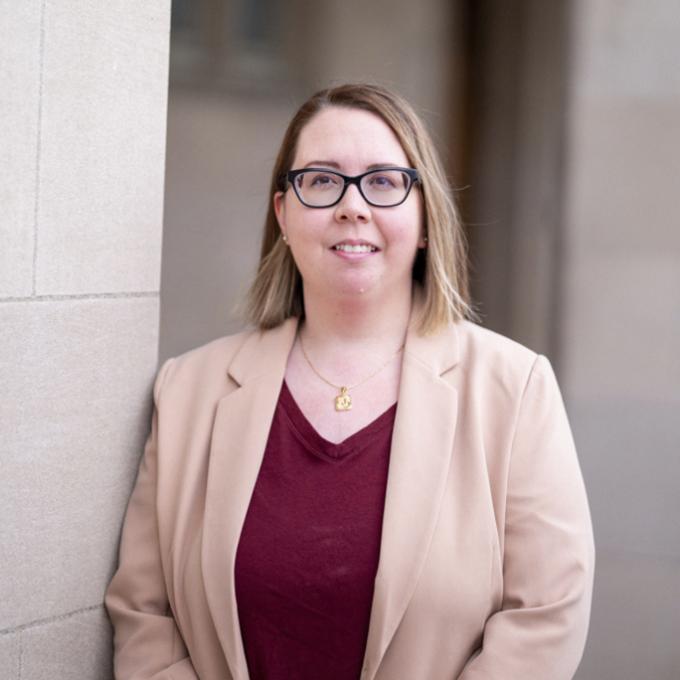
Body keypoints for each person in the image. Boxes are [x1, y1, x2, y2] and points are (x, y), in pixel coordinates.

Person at [105, 83, 595, 680]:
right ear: (283, 212)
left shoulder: (514, 391)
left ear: (423, 219)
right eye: (322, 180)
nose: (352, 206)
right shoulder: (187, 392)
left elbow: (544, 614)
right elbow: (144, 616)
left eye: (384, 181)